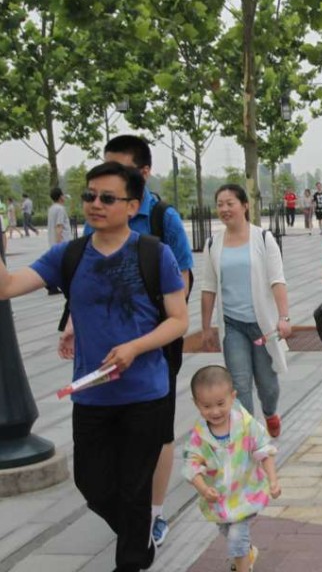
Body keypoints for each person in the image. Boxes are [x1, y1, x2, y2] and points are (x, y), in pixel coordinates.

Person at [0, 161, 188, 572]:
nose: (95, 205)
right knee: (93, 483)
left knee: (134, 487)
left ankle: (132, 559)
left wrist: (134, 347)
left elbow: (179, 320)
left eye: (107, 198)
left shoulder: (154, 254)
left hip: (145, 392)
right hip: (91, 392)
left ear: (132, 204)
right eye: (89, 196)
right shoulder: (68, 255)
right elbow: (7, 287)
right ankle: (139, 538)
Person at [68, 134, 196, 548]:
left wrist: (147, 335)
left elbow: (182, 282)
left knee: (156, 434)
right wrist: (74, 320)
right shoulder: (97, 218)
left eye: (119, 174)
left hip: (154, 347)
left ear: (141, 177)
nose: (100, 200)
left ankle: (152, 515)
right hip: (102, 362)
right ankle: (135, 519)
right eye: (94, 193)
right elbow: (88, 277)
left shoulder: (162, 219)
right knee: (104, 455)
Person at [201, 185, 291, 438]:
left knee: (268, 385)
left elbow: (277, 280)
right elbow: (208, 287)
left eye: (230, 203)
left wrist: (284, 317)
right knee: (239, 384)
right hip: (233, 325)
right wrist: (207, 327)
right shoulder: (213, 244)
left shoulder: (263, 238)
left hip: (263, 326)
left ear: (244, 205)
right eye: (220, 204)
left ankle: (271, 412)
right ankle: (251, 439)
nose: (224, 209)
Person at [183, 365, 281, 572]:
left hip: (246, 492)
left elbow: (264, 449)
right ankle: (248, 552)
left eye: (220, 403)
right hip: (219, 499)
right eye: (207, 406)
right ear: (196, 404)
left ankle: (243, 566)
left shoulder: (245, 424)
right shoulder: (199, 435)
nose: (215, 411)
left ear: (233, 396)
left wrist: (273, 480)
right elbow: (191, 464)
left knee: (236, 539)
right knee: (228, 531)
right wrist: (202, 488)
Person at [45, 187, 71, 295]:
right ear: (60, 196)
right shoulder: (60, 209)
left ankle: (52, 285)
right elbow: (59, 226)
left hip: (53, 240)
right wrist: (60, 242)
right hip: (62, 241)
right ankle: (51, 283)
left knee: (58, 264)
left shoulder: (51, 209)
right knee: (63, 264)